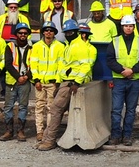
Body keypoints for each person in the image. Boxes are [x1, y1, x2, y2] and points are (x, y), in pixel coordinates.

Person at [37, 21, 97, 151]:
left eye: (71, 32)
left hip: (72, 83)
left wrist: (76, 82)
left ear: (76, 32)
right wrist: (59, 83)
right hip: (66, 83)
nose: (68, 34)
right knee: (56, 110)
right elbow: (63, 67)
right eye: (66, 33)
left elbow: (85, 66)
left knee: (55, 110)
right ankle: (46, 139)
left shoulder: (79, 46)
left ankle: (49, 140)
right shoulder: (69, 45)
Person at [108, 15, 139, 146]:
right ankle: (115, 136)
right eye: (126, 26)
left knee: (131, 110)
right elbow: (110, 60)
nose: (128, 28)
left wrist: (132, 71)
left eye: (131, 26)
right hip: (119, 80)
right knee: (116, 109)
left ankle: (127, 136)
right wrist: (123, 71)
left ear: (133, 27)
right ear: (122, 27)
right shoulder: (114, 41)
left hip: (134, 80)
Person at [30, 21, 64, 143]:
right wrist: (36, 80)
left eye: (51, 30)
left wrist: (57, 81)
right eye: (46, 30)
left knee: (51, 108)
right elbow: (33, 64)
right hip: (40, 83)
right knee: (39, 107)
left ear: (54, 33)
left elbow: (61, 65)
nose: (48, 32)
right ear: (43, 32)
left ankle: (48, 132)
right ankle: (39, 131)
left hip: (52, 83)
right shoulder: (37, 46)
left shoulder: (60, 46)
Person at [1, 22, 33, 141]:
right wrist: (18, 77)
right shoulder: (10, 46)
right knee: (8, 107)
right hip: (12, 81)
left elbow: (35, 64)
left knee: (23, 106)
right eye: (20, 33)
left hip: (25, 81)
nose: (23, 35)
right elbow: (8, 64)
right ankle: (9, 131)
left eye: (25, 33)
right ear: (16, 34)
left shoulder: (32, 48)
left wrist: (26, 77)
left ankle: (20, 131)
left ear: (28, 34)